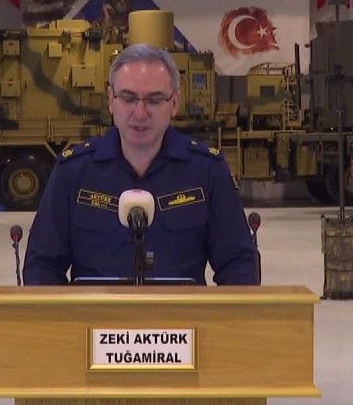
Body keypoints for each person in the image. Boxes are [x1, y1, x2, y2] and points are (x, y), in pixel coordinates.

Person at [23, 43, 259, 286]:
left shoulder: (207, 171)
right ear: (111, 100)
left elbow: (238, 264)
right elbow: (42, 265)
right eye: (128, 98)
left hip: (180, 310)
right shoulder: (73, 171)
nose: (140, 113)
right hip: (95, 310)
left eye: (154, 100)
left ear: (174, 103)